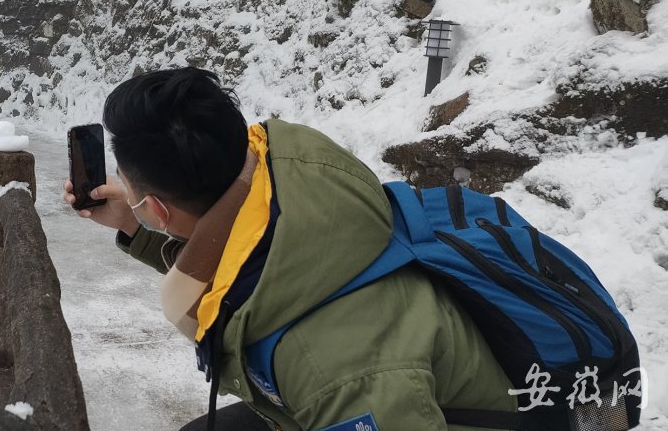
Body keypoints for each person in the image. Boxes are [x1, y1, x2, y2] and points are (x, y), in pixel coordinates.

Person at [64, 67, 518, 431]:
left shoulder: (335, 369)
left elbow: (356, 387)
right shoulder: (285, 177)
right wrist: (132, 222)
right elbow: (230, 253)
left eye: (130, 187)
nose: (125, 191)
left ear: (160, 210)